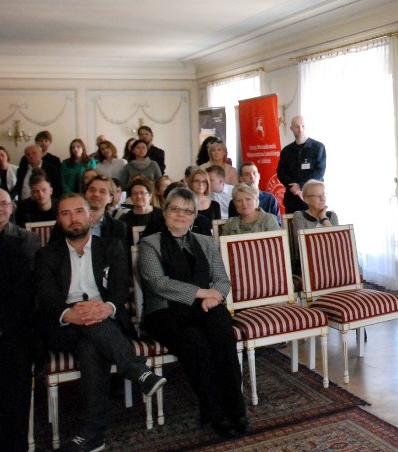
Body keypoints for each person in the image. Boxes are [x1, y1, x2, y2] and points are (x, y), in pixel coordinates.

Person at [35, 194, 166, 452]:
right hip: (64, 326)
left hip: (104, 320)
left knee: (91, 347)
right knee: (90, 329)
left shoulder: (111, 247)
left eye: (79, 211)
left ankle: (92, 435)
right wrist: (71, 314)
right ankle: (134, 369)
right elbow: (48, 299)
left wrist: (106, 308)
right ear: (58, 219)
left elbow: (118, 292)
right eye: (65, 213)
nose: (74, 218)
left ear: (90, 215)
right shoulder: (46, 255)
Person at [136, 187, 248, 437]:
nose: (181, 215)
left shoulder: (206, 242)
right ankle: (215, 413)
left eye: (188, 211)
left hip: (204, 306)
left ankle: (237, 409)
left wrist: (215, 295)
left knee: (223, 335)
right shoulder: (149, 244)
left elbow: (222, 279)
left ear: (195, 216)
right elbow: (158, 283)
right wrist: (202, 293)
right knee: (196, 344)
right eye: (175, 208)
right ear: (164, 212)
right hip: (164, 311)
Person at [0, 189, 39, 452]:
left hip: (15, 326)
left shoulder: (26, 239)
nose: (0, 208)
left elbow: (26, 292)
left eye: (3, 203)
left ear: (12, 207)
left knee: (13, 382)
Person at [276, 115, 326, 214]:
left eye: (303, 126)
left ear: (307, 127)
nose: (300, 129)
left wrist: (301, 186)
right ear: (291, 129)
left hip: (313, 199)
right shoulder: (286, 151)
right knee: (292, 227)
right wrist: (293, 187)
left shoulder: (318, 147)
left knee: (314, 228)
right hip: (292, 199)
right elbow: (281, 172)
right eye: (297, 126)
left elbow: (319, 172)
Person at [119, 178, 164, 244]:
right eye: (134, 193)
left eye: (142, 193)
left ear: (150, 196)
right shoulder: (124, 219)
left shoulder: (162, 216)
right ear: (131, 197)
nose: (139, 196)